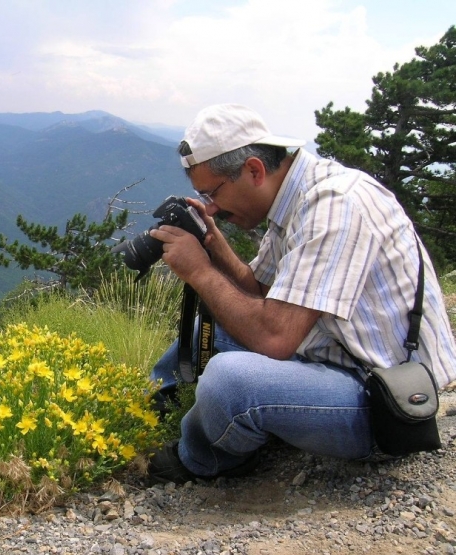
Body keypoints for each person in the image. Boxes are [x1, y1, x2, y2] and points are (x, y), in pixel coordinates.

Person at [147, 103, 456, 484]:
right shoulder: (295, 197)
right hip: (333, 357)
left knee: (231, 382)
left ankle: (201, 457)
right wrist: (214, 243)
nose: (211, 205)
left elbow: (274, 336)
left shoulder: (335, 205)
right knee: (207, 331)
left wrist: (199, 271)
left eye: (211, 193)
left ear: (254, 170)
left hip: (387, 401)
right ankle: (151, 413)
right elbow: (261, 291)